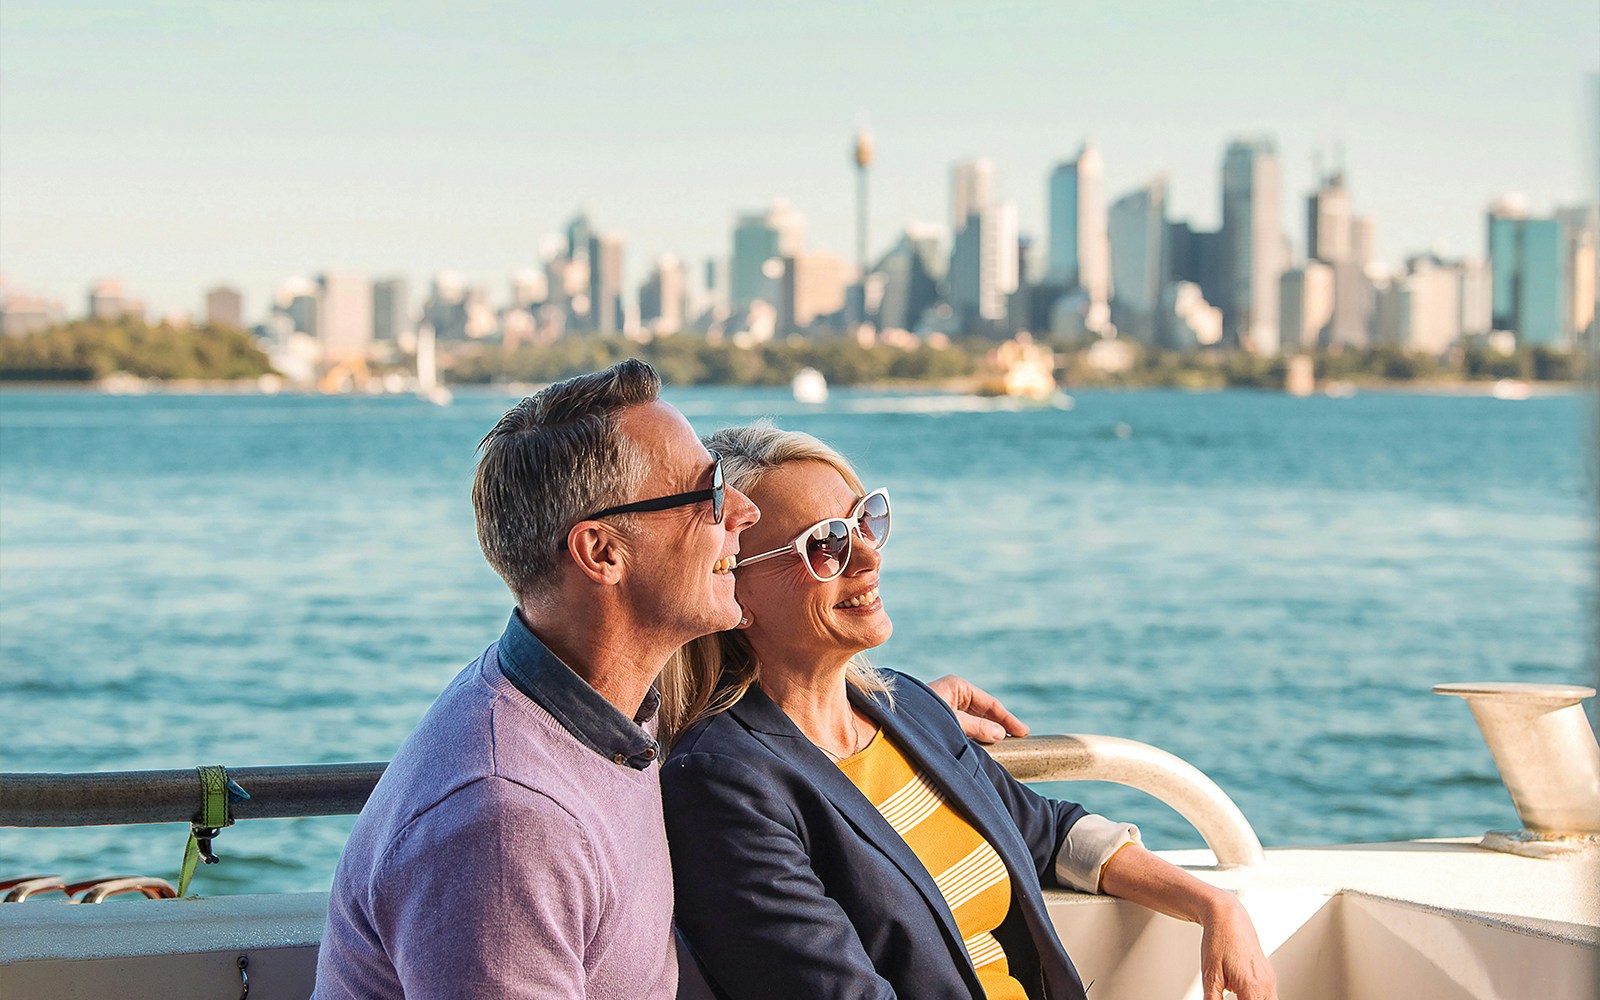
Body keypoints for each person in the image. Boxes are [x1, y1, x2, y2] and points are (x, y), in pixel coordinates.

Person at [313, 361, 1019, 999]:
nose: (741, 515)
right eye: (707, 493)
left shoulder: (608, 718)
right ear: (601, 552)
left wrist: (900, 719)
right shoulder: (506, 825)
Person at [660, 423, 1280, 1000]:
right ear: (734, 590)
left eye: (866, 522)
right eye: (826, 545)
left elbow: (1047, 832)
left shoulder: (907, 711)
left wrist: (1213, 905)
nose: (869, 558)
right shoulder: (723, 781)